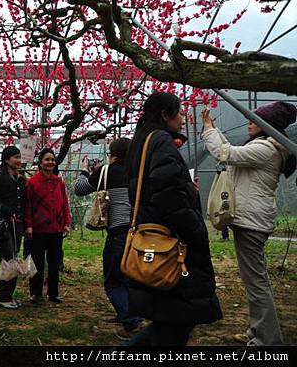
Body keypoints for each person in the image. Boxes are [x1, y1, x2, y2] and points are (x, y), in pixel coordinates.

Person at [124, 92, 222, 346]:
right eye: (179, 112)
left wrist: (186, 188)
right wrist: (195, 228)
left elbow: (156, 186)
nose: (183, 117)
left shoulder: (140, 142)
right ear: (164, 115)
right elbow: (167, 193)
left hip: (153, 234)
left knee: (171, 319)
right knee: (176, 320)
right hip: (172, 238)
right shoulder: (161, 141)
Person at [202, 101, 296, 346]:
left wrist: (209, 130)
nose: (250, 123)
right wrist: (213, 129)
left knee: (256, 282)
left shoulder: (267, 149)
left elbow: (226, 154)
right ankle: (258, 331)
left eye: (256, 120)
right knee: (255, 280)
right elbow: (230, 151)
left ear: (268, 126)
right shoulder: (265, 146)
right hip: (253, 220)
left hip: (252, 222)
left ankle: (268, 340)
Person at [74, 138, 142, 339]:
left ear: (113, 154)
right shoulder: (138, 172)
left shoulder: (107, 171)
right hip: (139, 232)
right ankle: (129, 314)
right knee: (131, 276)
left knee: (113, 280)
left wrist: (85, 170)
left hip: (118, 232)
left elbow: (79, 188)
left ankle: (131, 323)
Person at [24, 148, 71, 304]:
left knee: (54, 262)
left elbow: (64, 204)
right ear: (40, 162)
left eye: (52, 159)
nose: (50, 162)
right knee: (37, 262)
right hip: (38, 229)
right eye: (47, 159)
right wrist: (29, 225)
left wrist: (66, 223)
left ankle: (53, 293)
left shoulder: (59, 182)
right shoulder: (32, 182)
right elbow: (28, 206)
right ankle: (35, 293)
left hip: (56, 229)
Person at [0, 146, 26, 309]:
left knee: (14, 258)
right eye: (16, 157)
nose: (19, 160)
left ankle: (8, 295)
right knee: (8, 259)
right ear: (6, 159)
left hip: (18, 225)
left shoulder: (20, 178)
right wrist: (6, 211)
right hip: (3, 225)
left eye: (20, 157)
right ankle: (3, 296)